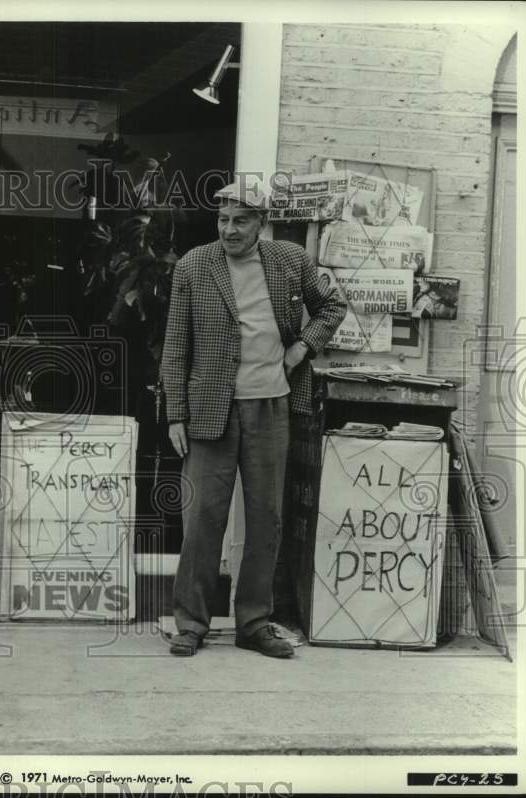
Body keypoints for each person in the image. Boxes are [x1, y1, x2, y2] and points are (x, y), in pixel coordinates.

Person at [160, 178, 346, 658]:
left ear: (262, 223)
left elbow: (332, 304)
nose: (229, 229)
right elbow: (175, 345)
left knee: (266, 518)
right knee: (203, 519)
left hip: (271, 406)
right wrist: (175, 414)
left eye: (241, 220)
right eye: (223, 219)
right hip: (208, 410)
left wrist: (302, 347)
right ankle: (192, 622)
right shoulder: (195, 266)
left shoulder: (289, 261)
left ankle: (254, 623)